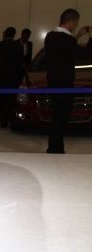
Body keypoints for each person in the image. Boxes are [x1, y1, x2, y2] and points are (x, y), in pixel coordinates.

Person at [45, 9, 92, 153]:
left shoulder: (50, 36)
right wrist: (91, 37)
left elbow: (66, 48)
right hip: (64, 84)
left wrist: (77, 36)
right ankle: (55, 148)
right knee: (61, 117)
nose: (75, 26)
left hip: (52, 82)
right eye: (75, 23)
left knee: (56, 115)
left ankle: (55, 146)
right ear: (71, 22)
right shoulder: (67, 40)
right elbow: (85, 55)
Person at [0, 27, 24, 127]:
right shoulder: (18, 47)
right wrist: (20, 78)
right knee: (10, 101)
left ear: (4, 34)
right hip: (13, 79)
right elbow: (20, 65)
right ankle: (8, 120)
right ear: (14, 35)